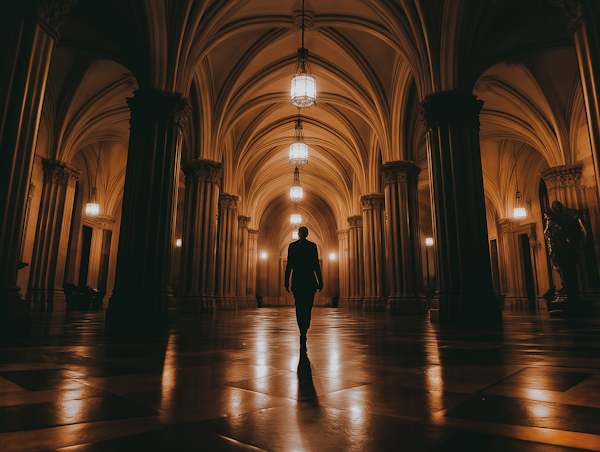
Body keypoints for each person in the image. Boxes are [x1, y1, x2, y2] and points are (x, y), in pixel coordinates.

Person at [284, 226, 323, 348]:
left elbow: (289, 265)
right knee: (308, 306)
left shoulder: (293, 246)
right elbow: (316, 265)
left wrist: (286, 281)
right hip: (309, 281)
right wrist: (320, 281)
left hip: (297, 281)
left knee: (299, 306)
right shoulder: (312, 246)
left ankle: (302, 329)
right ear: (307, 234)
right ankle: (305, 327)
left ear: (298, 233)